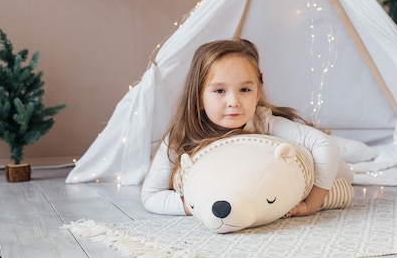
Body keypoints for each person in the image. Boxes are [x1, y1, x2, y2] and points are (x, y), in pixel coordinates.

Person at [140, 38, 353, 217]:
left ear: (258, 93)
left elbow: (326, 147)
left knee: (348, 165)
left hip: (331, 169)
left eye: (244, 89)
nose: (233, 101)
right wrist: (190, 205)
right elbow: (151, 195)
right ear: (198, 98)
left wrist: (311, 204)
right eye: (220, 91)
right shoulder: (180, 136)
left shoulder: (264, 122)